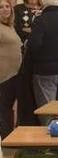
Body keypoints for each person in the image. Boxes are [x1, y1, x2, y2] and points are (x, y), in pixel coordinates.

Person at [27, 0, 58, 118]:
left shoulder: (40, 20)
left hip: (45, 70)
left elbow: (34, 44)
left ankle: (48, 134)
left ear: (43, 5)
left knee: (47, 111)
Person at [11, 0, 39, 126]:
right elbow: (17, 29)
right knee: (24, 90)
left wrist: (30, 31)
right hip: (23, 56)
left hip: (40, 58)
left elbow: (44, 31)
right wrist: (31, 32)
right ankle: (25, 123)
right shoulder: (18, 9)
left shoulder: (42, 8)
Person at [0, 0, 22, 138]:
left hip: (15, 73)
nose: (5, 9)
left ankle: (10, 137)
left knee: (9, 109)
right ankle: (6, 140)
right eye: (1, 7)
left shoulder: (10, 27)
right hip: (3, 75)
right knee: (5, 109)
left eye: (7, 6)